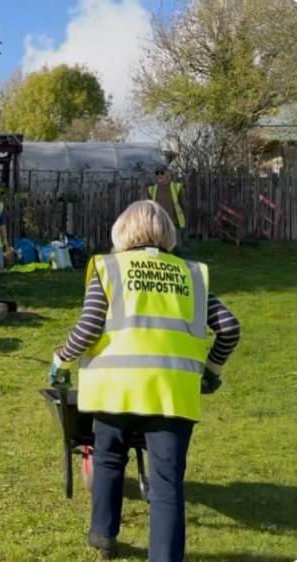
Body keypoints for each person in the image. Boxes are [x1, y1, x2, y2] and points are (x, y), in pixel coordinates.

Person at [47, 200, 240, 561]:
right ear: (168, 233)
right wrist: (212, 372)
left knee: (108, 458)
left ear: (121, 232)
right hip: (172, 393)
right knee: (166, 482)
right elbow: (229, 328)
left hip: (115, 389)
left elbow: (88, 328)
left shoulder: (109, 269)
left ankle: (104, 535)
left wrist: (61, 359)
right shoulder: (192, 275)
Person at [145, 167, 186, 248]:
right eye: (157, 173)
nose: (159, 175)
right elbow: (148, 207)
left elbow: (184, 205)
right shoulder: (151, 189)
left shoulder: (177, 187)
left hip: (174, 223)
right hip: (158, 224)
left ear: (168, 174)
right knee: (159, 248)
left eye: (162, 172)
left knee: (176, 248)